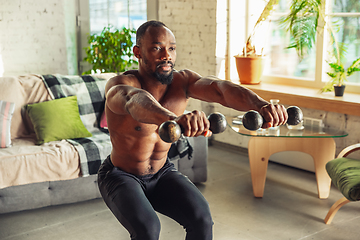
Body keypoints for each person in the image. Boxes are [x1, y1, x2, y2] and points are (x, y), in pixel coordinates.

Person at [97, 20, 288, 240]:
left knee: (202, 219)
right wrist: (174, 119)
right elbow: (135, 101)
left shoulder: (182, 82)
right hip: (120, 176)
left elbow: (220, 90)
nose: (166, 55)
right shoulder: (119, 85)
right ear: (138, 52)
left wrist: (261, 105)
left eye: (171, 48)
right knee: (148, 229)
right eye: (157, 48)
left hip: (161, 172)